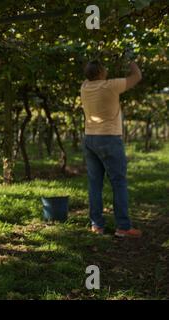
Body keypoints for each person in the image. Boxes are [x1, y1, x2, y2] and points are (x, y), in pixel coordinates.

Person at [80, 59, 143, 238]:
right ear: (101, 73)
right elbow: (137, 76)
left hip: (90, 138)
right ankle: (123, 227)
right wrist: (130, 61)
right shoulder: (111, 86)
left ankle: (97, 225)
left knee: (94, 183)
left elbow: (91, 76)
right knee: (118, 182)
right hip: (109, 138)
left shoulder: (84, 87)